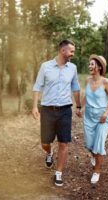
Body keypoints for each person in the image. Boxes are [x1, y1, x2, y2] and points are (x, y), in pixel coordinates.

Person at [32, 39, 81, 186]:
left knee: (64, 143)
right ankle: (49, 153)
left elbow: (76, 88)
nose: (73, 54)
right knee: (45, 142)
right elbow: (37, 87)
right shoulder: (45, 66)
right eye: (71, 51)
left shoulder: (73, 68)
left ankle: (58, 173)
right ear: (63, 51)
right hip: (47, 110)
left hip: (65, 110)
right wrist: (35, 106)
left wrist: (78, 106)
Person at [82, 54, 108, 184]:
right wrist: (79, 107)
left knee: (99, 145)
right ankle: (93, 155)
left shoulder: (106, 82)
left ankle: (97, 171)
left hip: (102, 119)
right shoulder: (87, 80)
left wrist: (106, 114)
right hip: (88, 118)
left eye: (92, 64)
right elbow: (86, 96)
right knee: (90, 145)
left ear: (99, 67)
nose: (89, 66)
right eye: (89, 64)